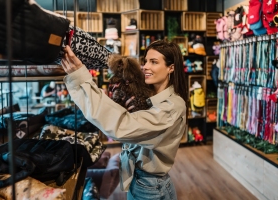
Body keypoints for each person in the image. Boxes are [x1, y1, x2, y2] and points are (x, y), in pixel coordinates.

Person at [61, 40, 188, 200]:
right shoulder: (149, 97)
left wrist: (80, 78)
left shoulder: (171, 107)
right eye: (146, 61)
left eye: (154, 62)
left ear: (171, 67)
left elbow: (122, 126)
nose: (146, 67)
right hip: (142, 181)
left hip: (150, 188)